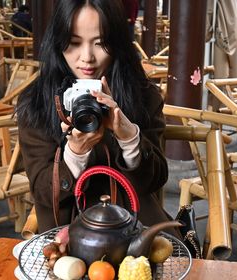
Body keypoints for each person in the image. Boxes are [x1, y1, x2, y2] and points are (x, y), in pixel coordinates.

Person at [16, 0, 176, 235]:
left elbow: (156, 179)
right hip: (67, 232)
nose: (87, 58)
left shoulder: (142, 94)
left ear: (117, 44)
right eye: (74, 43)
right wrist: (75, 154)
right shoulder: (37, 101)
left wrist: (129, 137)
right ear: (58, 43)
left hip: (135, 227)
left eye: (100, 43)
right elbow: (41, 191)